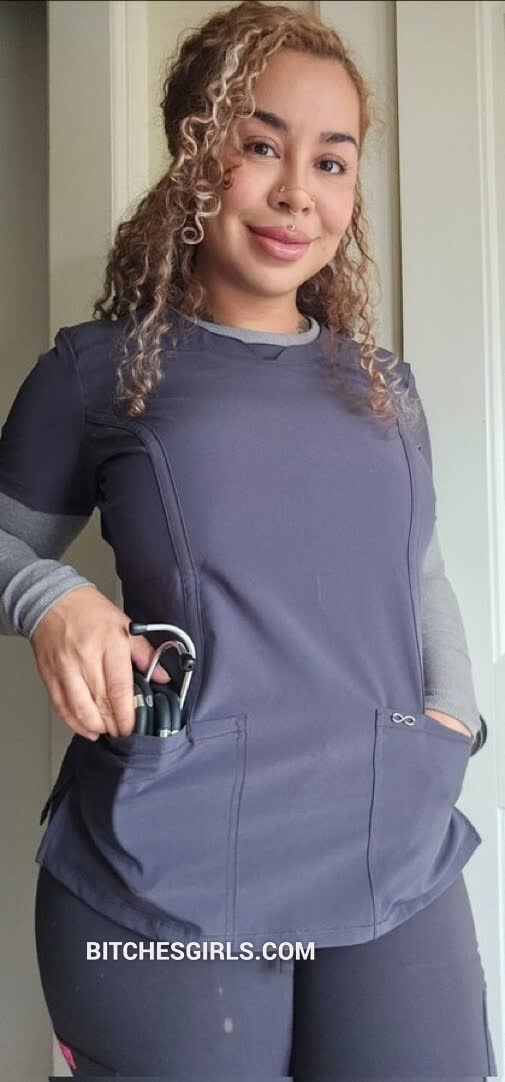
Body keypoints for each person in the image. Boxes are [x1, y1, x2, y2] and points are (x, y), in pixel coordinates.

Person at [0, 1, 496, 1076]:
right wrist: (51, 597)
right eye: (261, 146)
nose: (295, 193)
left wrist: (451, 723)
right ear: (193, 157)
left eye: (331, 161)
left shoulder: (382, 386)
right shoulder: (96, 370)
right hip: (165, 863)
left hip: (390, 843)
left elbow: (418, 571)